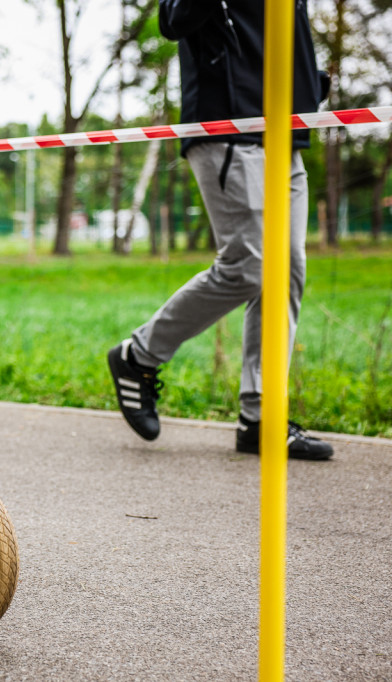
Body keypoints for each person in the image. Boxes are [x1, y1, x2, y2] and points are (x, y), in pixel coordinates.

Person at [107, 0, 333, 460]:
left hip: (285, 128)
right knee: (250, 267)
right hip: (228, 124)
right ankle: (139, 355)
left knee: (285, 271)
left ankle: (260, 418)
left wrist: (309, 82)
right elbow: (173, 18)